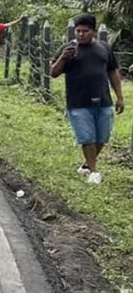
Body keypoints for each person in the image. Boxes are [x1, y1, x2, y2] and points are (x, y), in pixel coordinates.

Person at [50, 13, 124, 185]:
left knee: (102, 137)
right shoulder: (68, 49)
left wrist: (120, 97)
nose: (80, 34)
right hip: (78, 102)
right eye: (78, 31)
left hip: (103, 100)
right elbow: (53, 73)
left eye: (85, 31)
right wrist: (63, 57)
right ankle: (94, 171)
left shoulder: (104, 48)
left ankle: (86, 165)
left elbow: (113, 72)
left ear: (94, 32)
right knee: (86, 138)